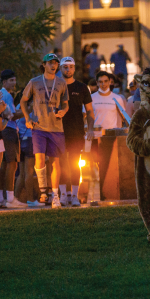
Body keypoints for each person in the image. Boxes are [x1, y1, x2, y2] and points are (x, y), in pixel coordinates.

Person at [21, 54, 70, 208]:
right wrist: (27, 118)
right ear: (44, 65)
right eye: (50, 63)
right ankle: (43, 191)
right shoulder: (34, 82)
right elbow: (23, 100)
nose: (53, 65)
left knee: (56, 161)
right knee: (39, 158)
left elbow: (66, 104)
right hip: (39, 127)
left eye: (56, 63)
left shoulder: (61, 82)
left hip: (56, 128)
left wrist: (63, 111)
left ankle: (55, 195)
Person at [58, 56, 95, 207]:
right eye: (65, 67)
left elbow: (90, 111)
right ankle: (62, 195)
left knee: (74, 163)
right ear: (61, 68)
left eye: (70, 67)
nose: (68, 70)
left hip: (76, 130)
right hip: (58, 130)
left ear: (74, 68)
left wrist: (90, 128)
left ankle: (74, 196)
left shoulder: (81, 87)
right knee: (60, 164)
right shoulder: (55, 86)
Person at [89, 70, 127, 198]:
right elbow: (86, 116)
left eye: (106, 81)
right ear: (97, 82)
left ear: (110, 82)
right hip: (96, 137)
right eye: (100, 82)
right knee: (96, 166)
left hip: (113, 138)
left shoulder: (117, 98)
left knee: (110, 166)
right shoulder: (92, 98)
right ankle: (94, 194)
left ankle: (109, 194)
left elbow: (123, 117)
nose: (103, 84)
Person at [0, 69, 26, 209]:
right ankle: (10, 198)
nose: (14, 83)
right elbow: (11, 115)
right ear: (4, 82)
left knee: (3, 165)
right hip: (9, 130)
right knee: (12, 164)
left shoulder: (3, 94)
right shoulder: (6, 95)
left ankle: (0, 197)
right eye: (11, 81)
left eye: (14, 80)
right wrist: (28, 111)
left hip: (4, 130)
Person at [15, 98, 40, 207]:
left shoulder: (17, 108)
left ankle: (14, 198)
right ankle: (30, 199)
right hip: (30, 140)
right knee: (29, 172)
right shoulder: (31, 110)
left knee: (22, 173)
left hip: (20, 140)